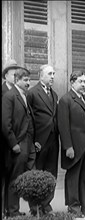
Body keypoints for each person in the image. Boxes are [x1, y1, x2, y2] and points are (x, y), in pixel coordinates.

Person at [58, 70, 85, 217]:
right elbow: (63, 126)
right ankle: (74, 208)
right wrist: (68, 147)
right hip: (74, 147)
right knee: (73, 177)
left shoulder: (84, 99)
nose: (84, 84)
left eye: (84, 82)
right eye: (80, 82)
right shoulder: (66, 100)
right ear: (72, 83)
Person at [2, 67, 40, 217]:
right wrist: (13, 144)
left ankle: (34, 209)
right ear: (17, 80)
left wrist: (34, 141)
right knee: (15, 177)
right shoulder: (10, 96)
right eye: (25, 80)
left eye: (29, 80)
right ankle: (12, 211)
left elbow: (28, 119)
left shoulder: (24, 95)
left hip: (29, 143)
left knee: (31, 175)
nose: (28, 83)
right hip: (18, 144)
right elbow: (5, 123)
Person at [26, 65, 59, 216]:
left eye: (53, 74)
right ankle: (35, 207)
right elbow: (28, 119)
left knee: (51, 173)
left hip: (53, 140)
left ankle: (46, 204)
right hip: (39, 140)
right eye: (49, 74)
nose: (52, 76)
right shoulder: (32, 93)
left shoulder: (55, 94)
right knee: (37, 173)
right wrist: (33, 141)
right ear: (41, 75)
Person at [1, 59, 21, 217]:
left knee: (14, 177)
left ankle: (12, 210)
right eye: (13, 73)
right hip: (4, 142)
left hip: (16, 142)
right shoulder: (3, 93)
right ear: (6, 75)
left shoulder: (19, 93)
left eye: (17, 73)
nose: (15, 76)